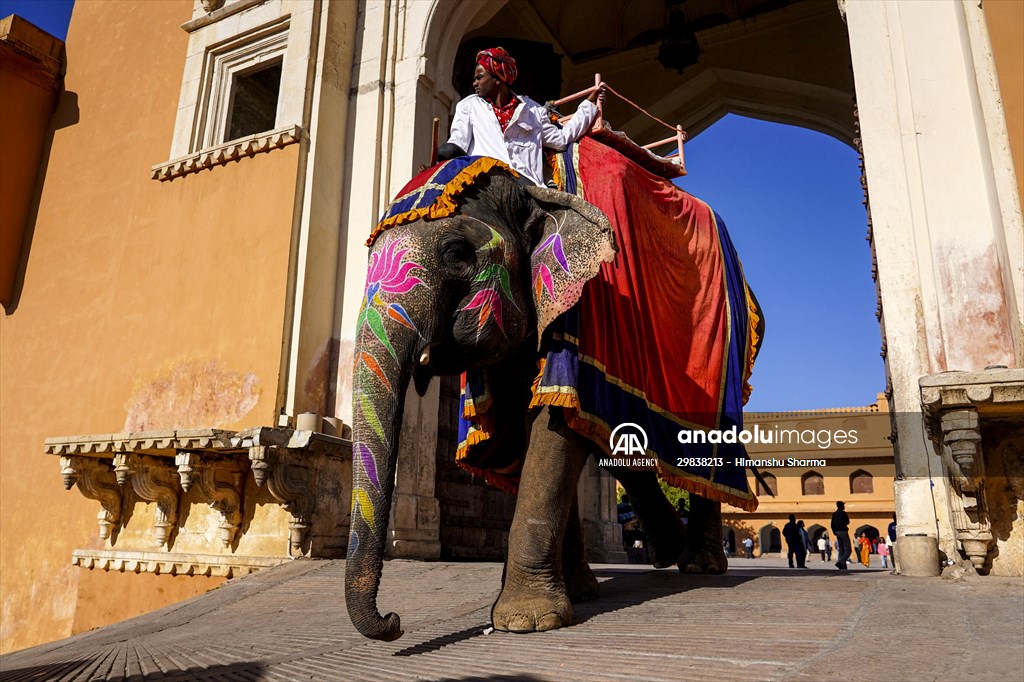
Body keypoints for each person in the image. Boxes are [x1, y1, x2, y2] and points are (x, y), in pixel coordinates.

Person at [443, 47, 607, 187]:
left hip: (528, 187)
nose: (474, 83)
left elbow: (562, 139)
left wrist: (589, 105)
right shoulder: (469, 106)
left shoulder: (533, 110)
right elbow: (457, 144)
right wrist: (435, 168)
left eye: (479, 77)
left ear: (498, 79)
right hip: (486, 183)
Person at [831, 501, 852, 570]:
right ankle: (841, 562)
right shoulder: (843, 513)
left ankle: (843, 566)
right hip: (843, 531)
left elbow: (832, 524)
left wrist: (834, 531)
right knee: (848, 549)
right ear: (841, 506)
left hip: (837, 532)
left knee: (841, 549)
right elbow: (847, 522)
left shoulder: (834, 514)